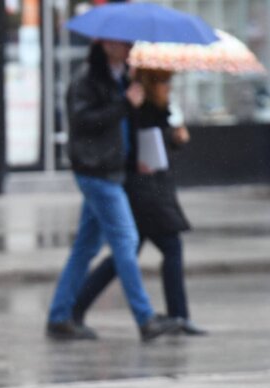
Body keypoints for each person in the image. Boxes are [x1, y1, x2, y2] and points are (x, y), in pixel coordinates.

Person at [45, 40, 181, 342]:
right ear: (106, 44)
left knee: (86, 247)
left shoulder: (123, 77)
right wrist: (124, 103)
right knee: (127, 240)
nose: (129, 46)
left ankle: (59, 316)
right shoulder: (88, 80)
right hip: (96, 171)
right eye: (123, 42)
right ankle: (145, 318)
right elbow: (84, 121)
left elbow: (130, 125)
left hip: (114, 169)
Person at [71, 69, 206, 336]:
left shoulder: (159, 106)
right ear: (151, 82)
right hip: (144, 190)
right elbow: (132, 142)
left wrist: (175, 137)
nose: (168, 86)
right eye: (164, 81)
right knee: (169, 246)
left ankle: (75, 306)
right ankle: (178, 315)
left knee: (124, 256)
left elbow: (158, 142)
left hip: (152, 188)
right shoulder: (135, 102)